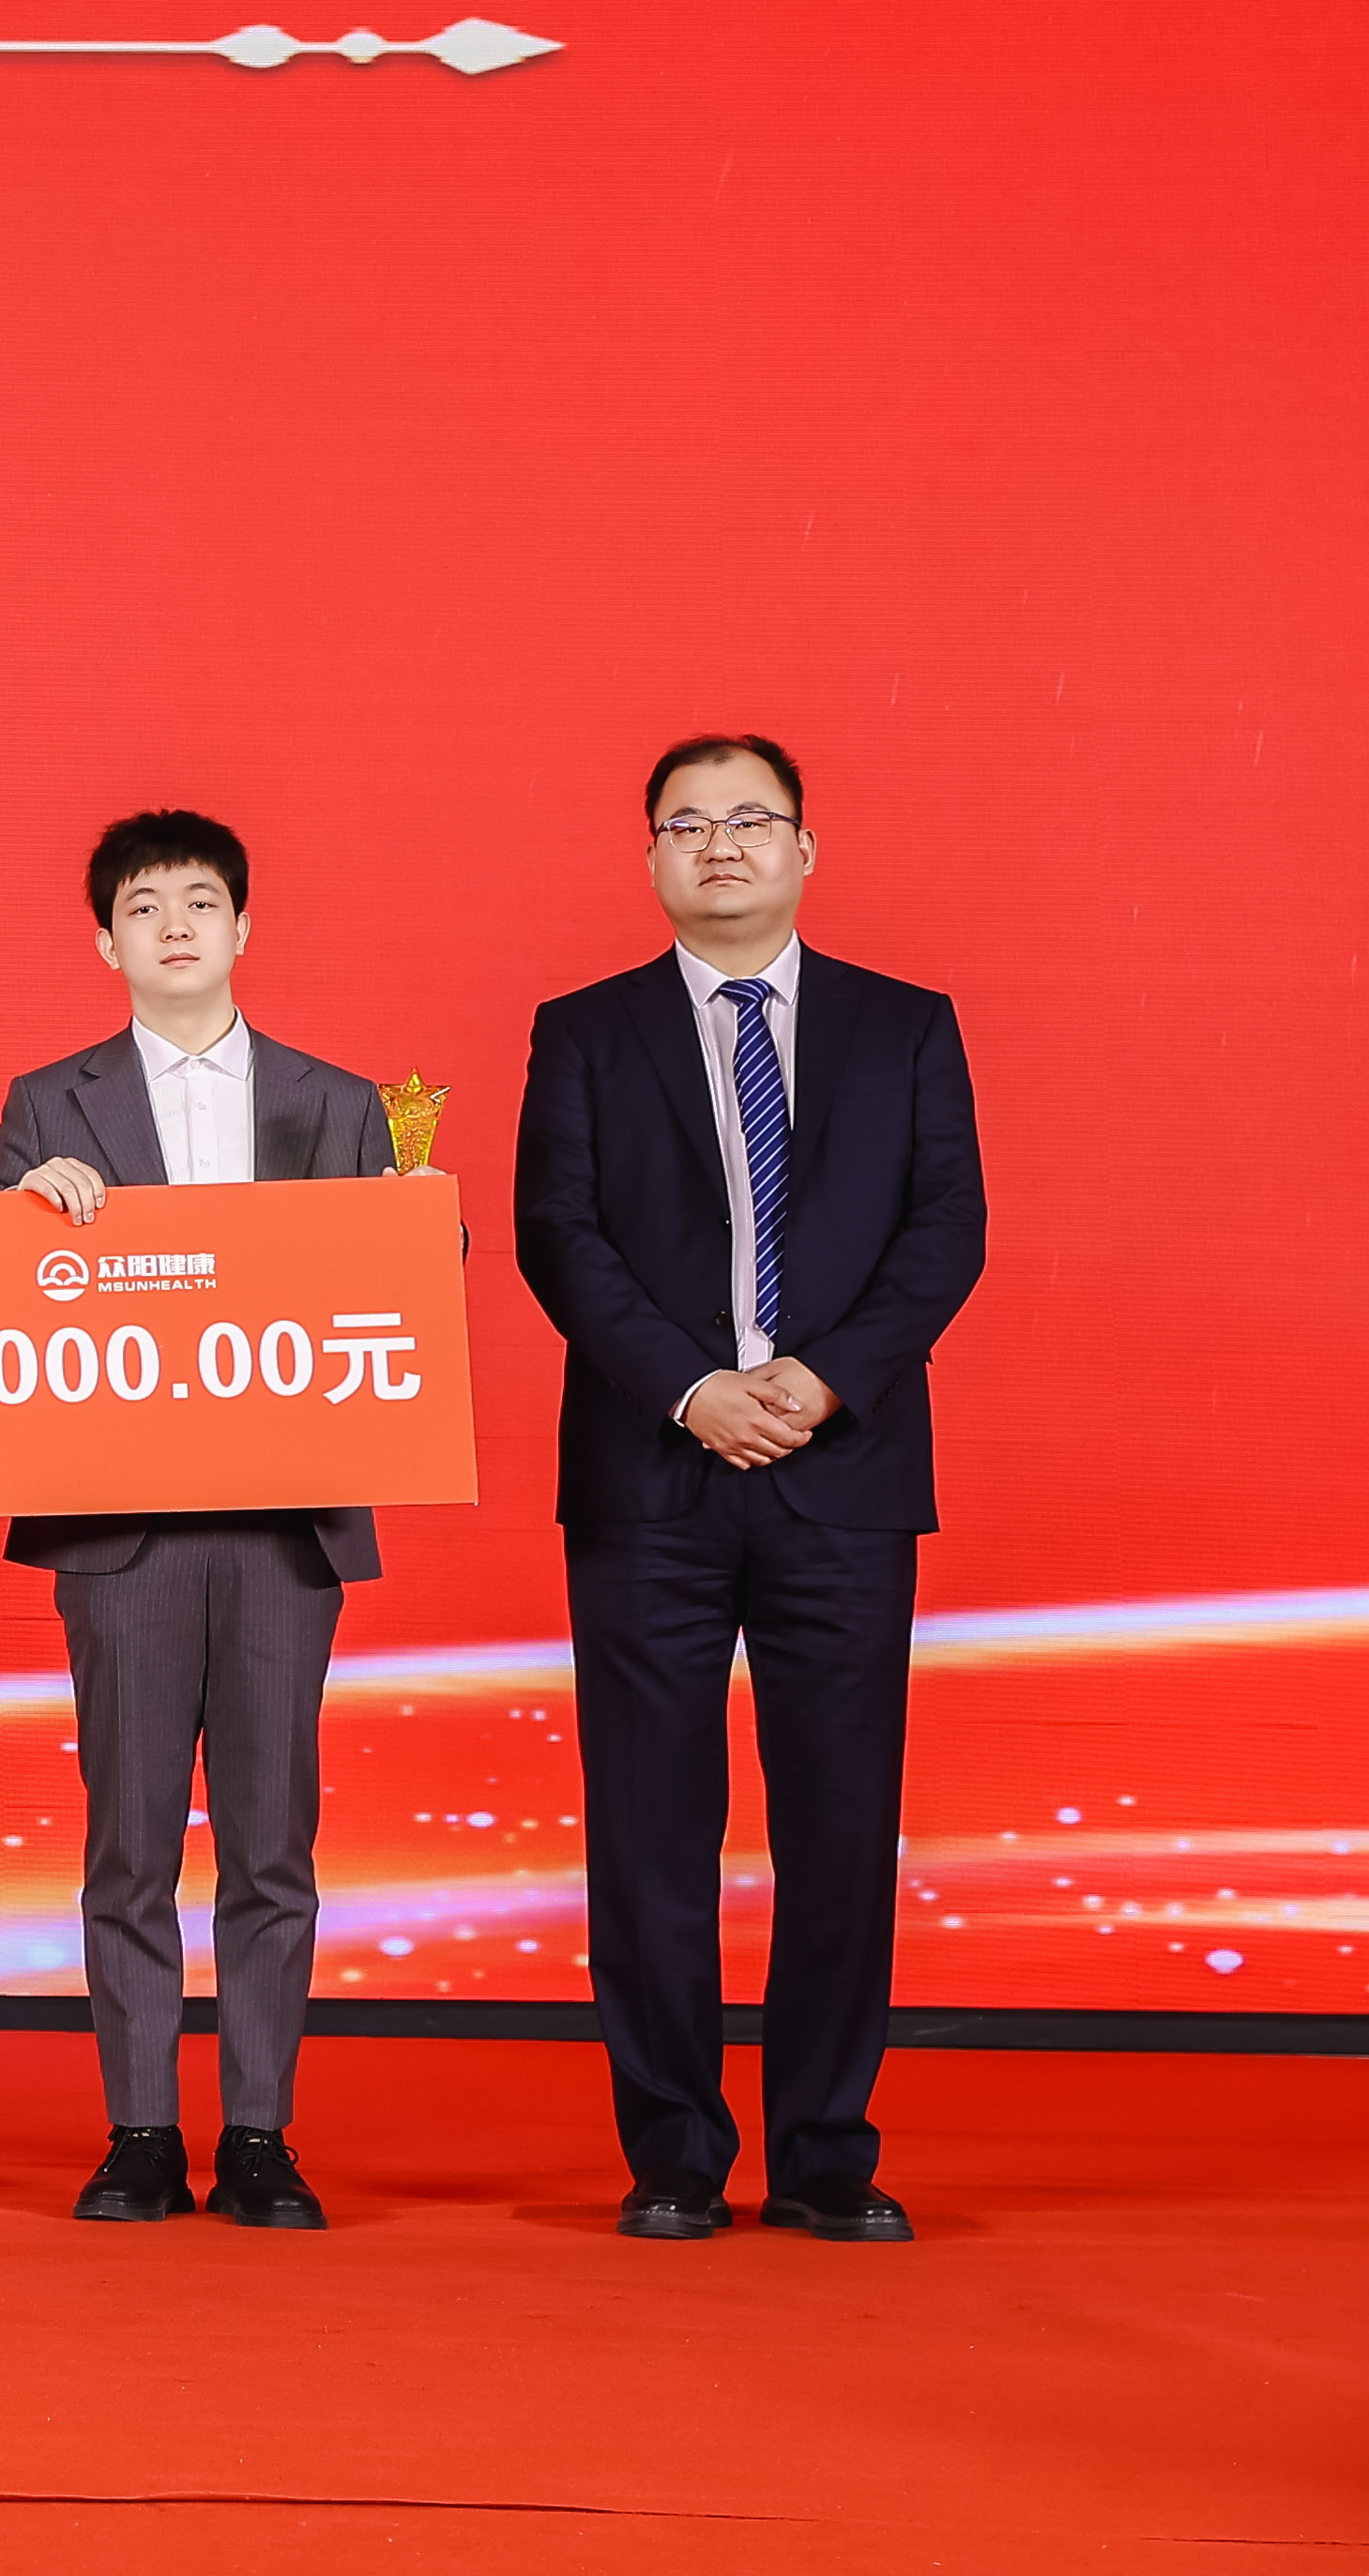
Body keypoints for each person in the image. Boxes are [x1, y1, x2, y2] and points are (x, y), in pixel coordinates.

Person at [513, 735, 982, 2246]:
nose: (720, 845)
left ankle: (827, 2150)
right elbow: (558, 1236)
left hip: (843, 1477)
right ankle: (673, 2151)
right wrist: (693, 1387)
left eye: (750, 819)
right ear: (650, 857)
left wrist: (821, 1380)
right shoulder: (584, 1032)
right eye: (687, 824)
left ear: (804, 849)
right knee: (649, 1829)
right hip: (650, 1477)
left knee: (841, 1824)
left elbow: (946, 1231)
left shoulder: (906, 1027)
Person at [0, 811, 395, 2234]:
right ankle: (141, 2129)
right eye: (143, 906)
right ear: (106, 941)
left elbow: (403, 1292)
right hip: (125, 1530)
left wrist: (421, 1224)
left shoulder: (343, 1103)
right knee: (131, 1839)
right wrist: (18, 1206)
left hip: (285, 1526)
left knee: (274, 1842)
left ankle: (262, 2134)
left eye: (200, 902)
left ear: (243, 928)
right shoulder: (50, 1103)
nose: (173, 926)